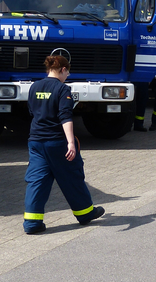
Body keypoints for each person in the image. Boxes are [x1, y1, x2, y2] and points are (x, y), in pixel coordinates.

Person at [24, 55, 105, 234]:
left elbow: (32, 111)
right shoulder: (62, 89)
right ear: (62, 70)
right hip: (57, 142)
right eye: (67, 71)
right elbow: (65, 116)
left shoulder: (34, 87)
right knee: (72, 177)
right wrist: (70, 143)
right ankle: (85, 213)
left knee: (37, 181)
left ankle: (31, 223)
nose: (67, 75)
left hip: (36, 142)